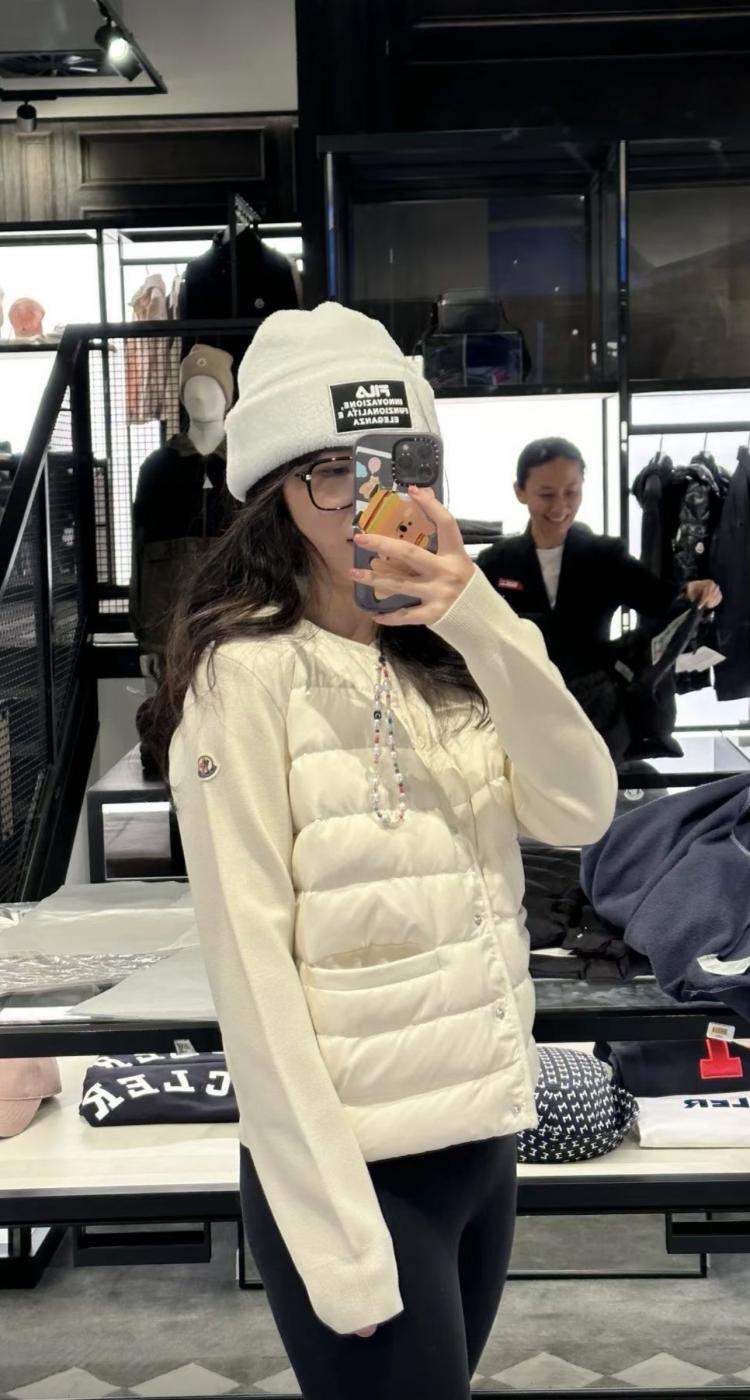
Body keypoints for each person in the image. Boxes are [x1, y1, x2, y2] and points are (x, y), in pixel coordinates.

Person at [146, 306, 617, 1400]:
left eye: (398, 465)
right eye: (331, 472)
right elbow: (251, 974)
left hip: (483, 1146)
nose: (368, 498)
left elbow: (582, 807)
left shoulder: (448, 661)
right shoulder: (243, 678)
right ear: (276, 492)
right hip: (358, 1176)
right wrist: (338, 1239)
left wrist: (480, 621)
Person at [476, 435, 722, 690]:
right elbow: (473, 631)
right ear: (520, 492)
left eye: (571, 492)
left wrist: (692, 592)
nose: (560, 507)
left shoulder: (605, 557)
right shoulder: (495, 563)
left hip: (594, 703)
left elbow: (658, 599)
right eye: (546, 494)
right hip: (518, 697)